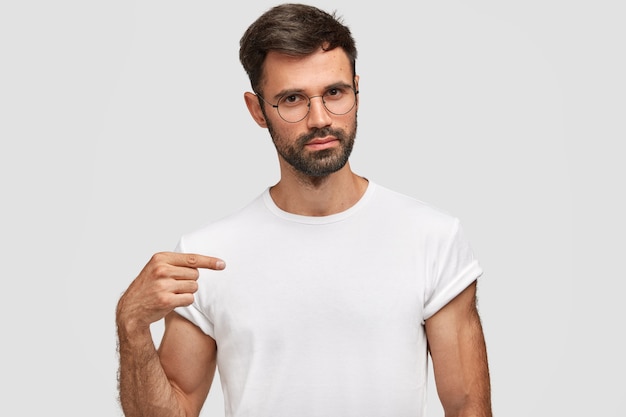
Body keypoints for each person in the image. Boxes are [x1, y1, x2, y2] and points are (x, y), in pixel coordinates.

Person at [115, 3, 492, 417]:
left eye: (334, 92)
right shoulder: (207, 256)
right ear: (258, 110)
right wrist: (131, 327)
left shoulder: (432, 238)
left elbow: (467, 408)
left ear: (356, 91)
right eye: (292, 99)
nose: (319, 119)